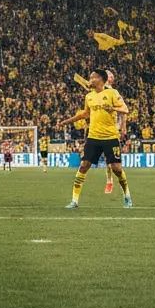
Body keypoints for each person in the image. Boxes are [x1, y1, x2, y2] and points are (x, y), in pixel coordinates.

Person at [59, 68, 132, 209]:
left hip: (110, 137)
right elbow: (84, 114)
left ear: (101, 79)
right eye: (90, 77)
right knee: (84, 165)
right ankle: (74, 200)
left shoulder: (112, 93)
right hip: (93, 137)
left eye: (93, 77)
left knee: (117, 169)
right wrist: (66, 121)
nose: (90, 80)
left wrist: (112, 108)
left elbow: (125, 110)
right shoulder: (89, 97)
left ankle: (127, 196)